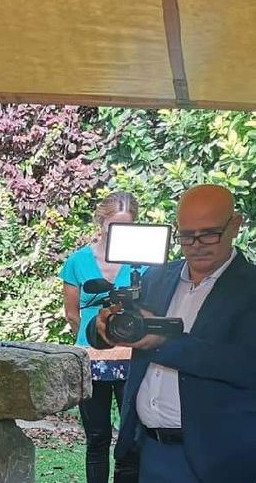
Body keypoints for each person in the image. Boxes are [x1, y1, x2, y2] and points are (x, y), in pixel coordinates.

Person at [87, 184, 256, 482]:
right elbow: (119, 330)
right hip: (149, 452)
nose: (198, 244)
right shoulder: (156, 278)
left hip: (219, 460)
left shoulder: (249, 288)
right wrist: (103, 328)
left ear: (236, 224)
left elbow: (245, 364)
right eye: (187, 236)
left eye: (210, 233)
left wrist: (165, 342)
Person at [59, 191, 142, 483]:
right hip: (91, 358)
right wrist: (96, 337)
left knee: (130, 437)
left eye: (127, 226)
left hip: (133, 357)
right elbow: (72, 315)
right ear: (101, 222)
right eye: (114, 225)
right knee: (96, 437)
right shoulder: (78, 261)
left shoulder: (141, 261)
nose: (120, 232)